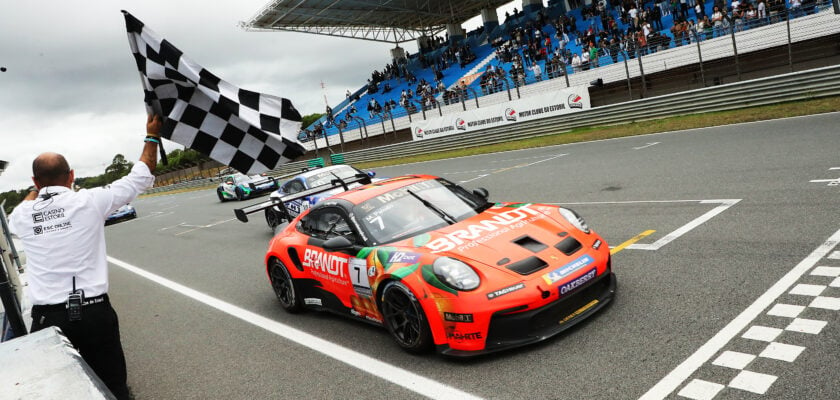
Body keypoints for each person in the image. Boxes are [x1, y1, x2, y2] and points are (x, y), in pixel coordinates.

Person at [8, 114, 161, 400]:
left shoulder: (22, 215)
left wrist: (36, 190)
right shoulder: (89, 201)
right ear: (72, 176)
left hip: (47, 318)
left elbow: (26, 204)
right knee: (113, 387)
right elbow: (142, 174)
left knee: (60, 392)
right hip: (93, 313)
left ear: (34, 181)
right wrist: (151, 135)